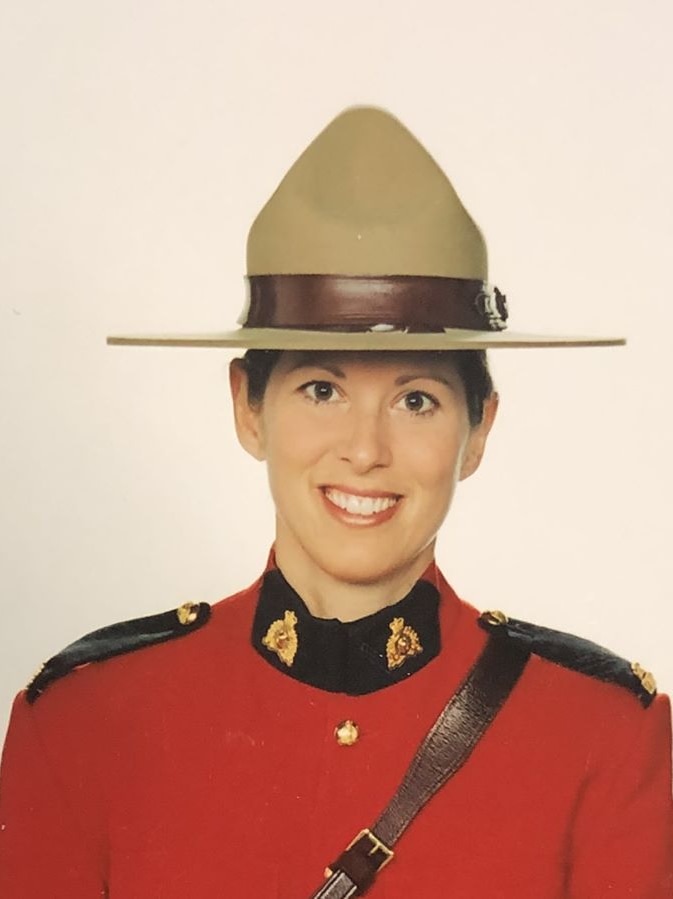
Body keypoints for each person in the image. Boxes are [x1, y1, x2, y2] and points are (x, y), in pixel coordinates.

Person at [0, 106, 671, 898]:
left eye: (416, 400)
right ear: (248, 408)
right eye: (321, 388)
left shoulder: (603, 737)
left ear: (479, 428)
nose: (364, 448)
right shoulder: (85, 723)